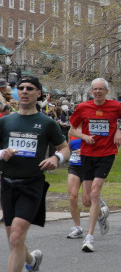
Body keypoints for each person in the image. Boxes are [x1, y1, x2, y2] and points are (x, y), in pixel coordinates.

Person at [0, 76, 69, 272]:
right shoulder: (6, 122)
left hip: (32, 184)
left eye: (29, 88)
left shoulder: (46, 123)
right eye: (21, 88)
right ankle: (31, 261)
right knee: (14, 241)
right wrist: (1, 154)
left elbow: (64, 148)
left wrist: (56, 158)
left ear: (38, 93)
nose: (24, 91)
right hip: (7, 183)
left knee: (16, 237)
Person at [69, 78, 121, 252]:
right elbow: (72, 129)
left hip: (106, 154)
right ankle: (102, 214)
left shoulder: (116, 106)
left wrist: (119, 130)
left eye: (101, 89)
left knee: (95, 193)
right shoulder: (83, 108)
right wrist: (84, 137)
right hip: (87, 154)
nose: (97, 92)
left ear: (106, 91)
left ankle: (89, 237)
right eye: (95, 89)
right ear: (91, 91)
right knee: (87, 200)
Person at [66, 136, 91, 240]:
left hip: (88, 165)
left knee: (87, 202)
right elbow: (68, 148)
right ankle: (78, 228)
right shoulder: (72, 130)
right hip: (74, 166)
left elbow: (99, 146)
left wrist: (86, 151)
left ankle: (101, 211)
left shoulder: (89, 126)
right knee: (72, 196)